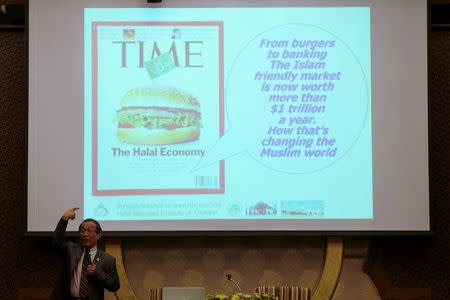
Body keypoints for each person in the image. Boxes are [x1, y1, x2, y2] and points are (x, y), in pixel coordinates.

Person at [51, 207, 120, 300]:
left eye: (90, 231)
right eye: (82, 231)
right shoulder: (71, 249)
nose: (85, 234)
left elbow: (115, 286)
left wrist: (98, 273)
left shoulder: (108, 259)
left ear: (98, 235)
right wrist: (64, 219)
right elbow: (57, 242)